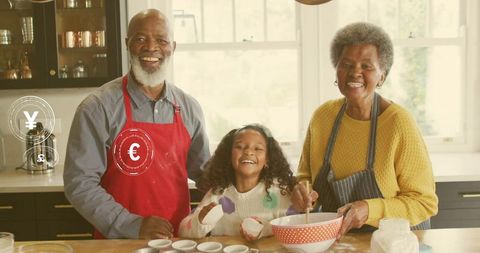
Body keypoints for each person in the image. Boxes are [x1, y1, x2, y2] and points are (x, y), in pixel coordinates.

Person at [63, 9, 210, 239]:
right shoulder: (98, 107)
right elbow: (79, 183)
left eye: (161, 40)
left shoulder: (190, 108)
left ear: (173, 47)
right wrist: (131, 225)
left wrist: (246, 172)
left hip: (177, 241)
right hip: (118, 243)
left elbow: (203, 174)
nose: (151, 48)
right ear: (127, 44)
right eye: (140, 39)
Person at [291, 22, 438, 238]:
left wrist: (370, 209)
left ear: (382, 76)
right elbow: (305, 176)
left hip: (394, 244)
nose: (355, 73)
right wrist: (301, 192)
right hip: (341, 241)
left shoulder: (399, 123)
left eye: (366, 66)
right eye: (346, 64)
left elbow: (424, 203)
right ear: (337, 70)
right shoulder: (322, 117)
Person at [179, 124, 297, 240]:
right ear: (229, 156)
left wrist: (265, 230)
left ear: (267, 159)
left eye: (258, 148)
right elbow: (183, 231)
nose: (248, 152)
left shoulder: (279, 193)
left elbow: (295, 228)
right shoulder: (217, 193)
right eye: (240, 147)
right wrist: (200, 220)